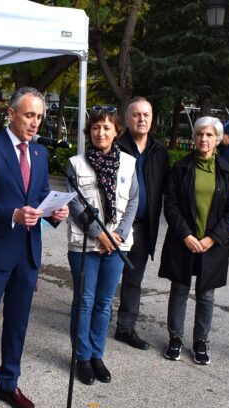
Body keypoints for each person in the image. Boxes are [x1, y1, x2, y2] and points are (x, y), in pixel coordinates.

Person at [0, 87, 69, 408]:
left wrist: (54, 213)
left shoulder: (39, 155)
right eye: (28, 115)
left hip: (27, 253)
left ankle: (8, 382)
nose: (35, 122)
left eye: (39, 116)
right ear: (11, 114)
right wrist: (12, 214)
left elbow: (37, 197)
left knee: (18, 324)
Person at [66, 108, 138, 385]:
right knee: (84, 301)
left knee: (104, 303)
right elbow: (73, 203)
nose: (101, 132)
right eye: (96, 127)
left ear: (116, 131)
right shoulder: (76, 163)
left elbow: (133, 202)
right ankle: (81, 357)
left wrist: (117, 234)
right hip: (84, 244)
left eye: (107, 127)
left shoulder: (129, 164)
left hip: (118, 245)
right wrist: (100, 233)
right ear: (89, 131)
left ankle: (97, 355)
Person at [159, 116, 229, 365]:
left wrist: (212, 238)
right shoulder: (181, 167)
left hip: (212, 245)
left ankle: (200, 341)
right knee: (179, 290)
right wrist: (186, 235)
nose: (203, 139)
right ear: (194, 138)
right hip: (183, 241)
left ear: (217, 139)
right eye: (199, 134)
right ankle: (175, 338)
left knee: (206, 295)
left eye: (209, 135)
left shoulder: (226, 171)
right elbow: (170, 205)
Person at [114, 97, 170, 351]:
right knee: (108, 275)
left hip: (144, 225)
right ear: (127, 119)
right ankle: (94, 321)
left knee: (134, 279)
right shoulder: (115, 147)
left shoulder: (160, 151)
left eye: (146, 114)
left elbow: (166, 189)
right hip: (116, 224)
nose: (142, 119)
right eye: (136, 115)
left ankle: (126, 328)